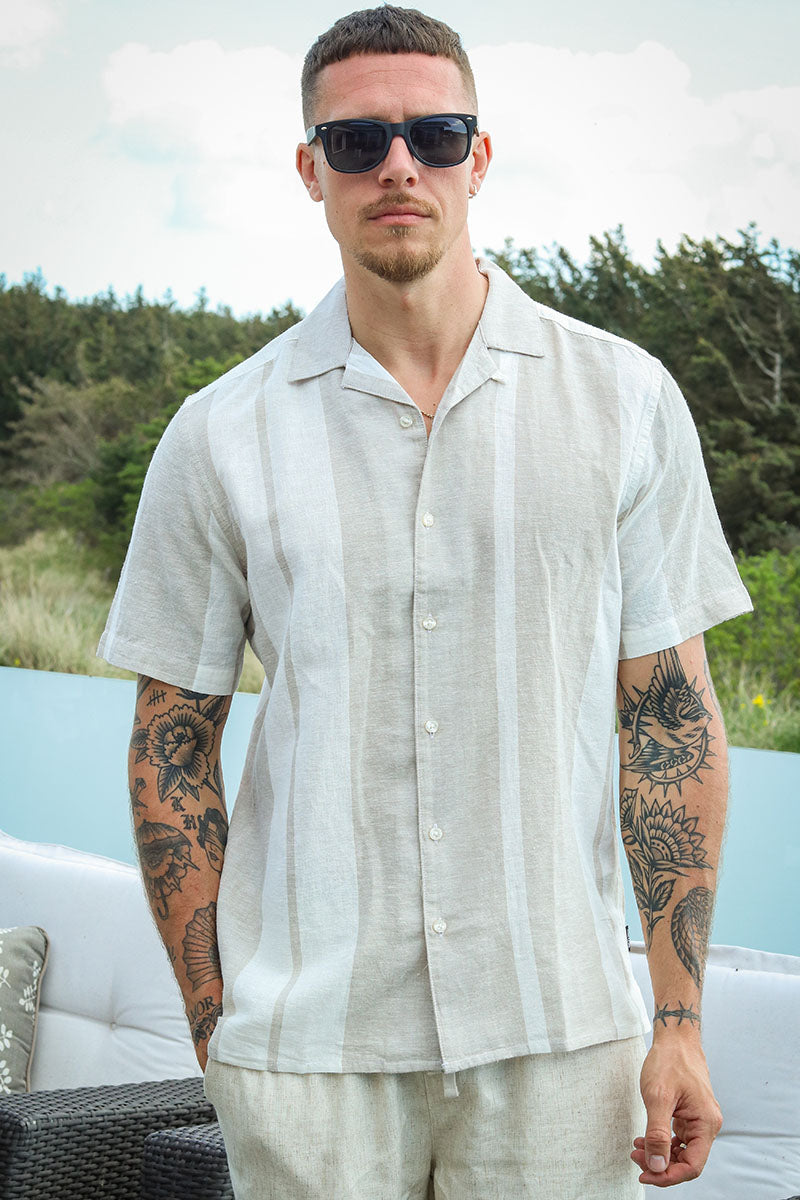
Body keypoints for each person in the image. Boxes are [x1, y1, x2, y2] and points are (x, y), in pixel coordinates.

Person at [98, 7, 753, 1198]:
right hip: (307, 1050)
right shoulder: (220, 432)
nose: (397, 166)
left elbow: (664, 720)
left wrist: (675, 1021)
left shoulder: (623, 401)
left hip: (560, 1037)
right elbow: (171, 742)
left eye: (434, 135)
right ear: (311, 169)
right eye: (356, 142)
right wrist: (217, 1029)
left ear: (478, 156)